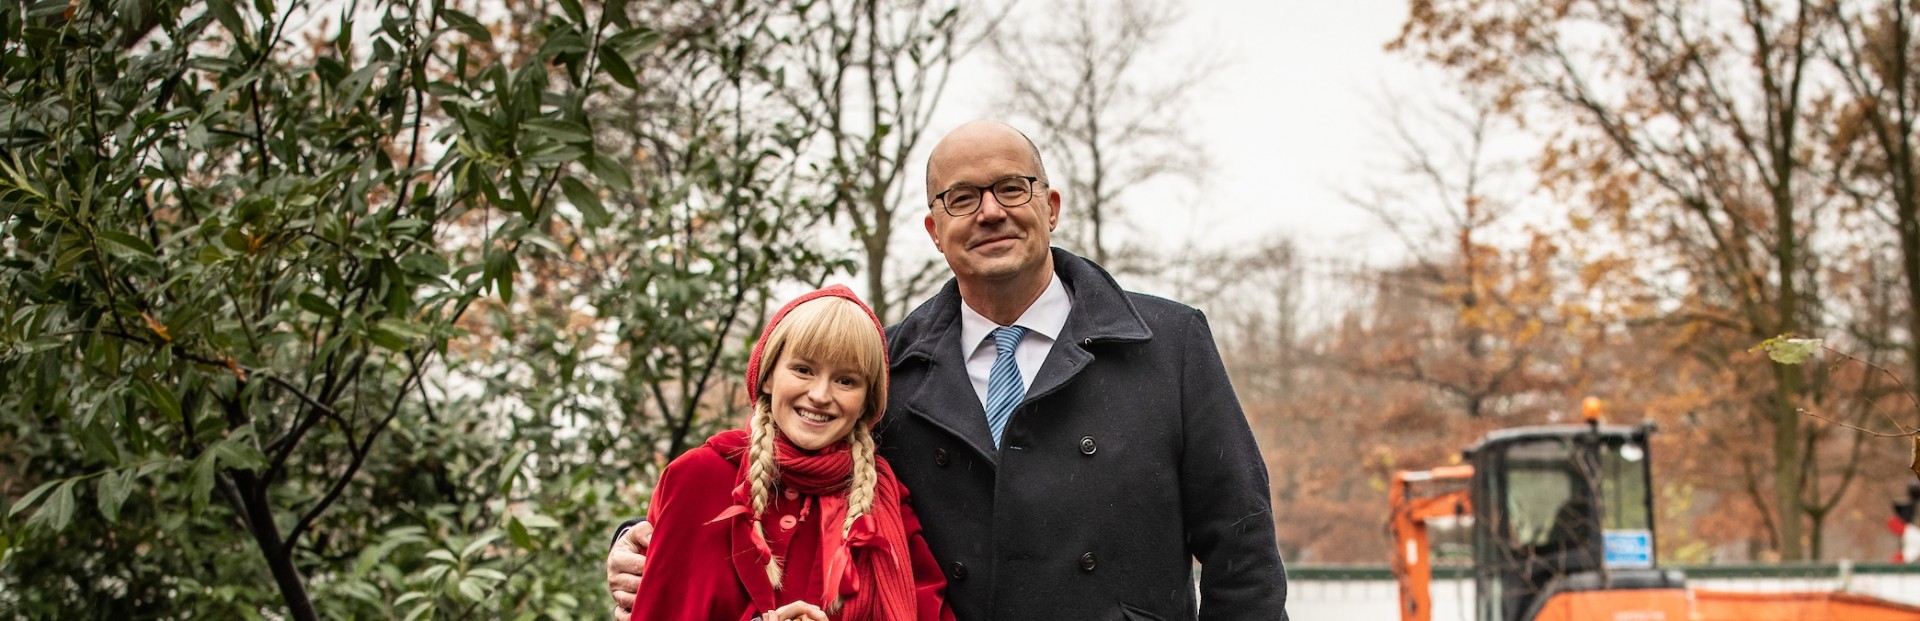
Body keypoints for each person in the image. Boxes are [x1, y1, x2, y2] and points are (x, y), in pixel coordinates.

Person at [611, 120, 1289, 619]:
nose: (990, 212)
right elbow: (782, 471)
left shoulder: (1168, 344)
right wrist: (639, 539)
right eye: (961, 198)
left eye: (1011, 188)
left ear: (1050, 207)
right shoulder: (887, 367)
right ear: (934, 231)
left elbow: (1242, 546)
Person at [625, 285, 953, 621]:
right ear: (768, 376)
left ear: (867, 402)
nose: (820, 395)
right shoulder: (696, 478)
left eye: (846, 381)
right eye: (803, 370)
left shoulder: (889, 504)